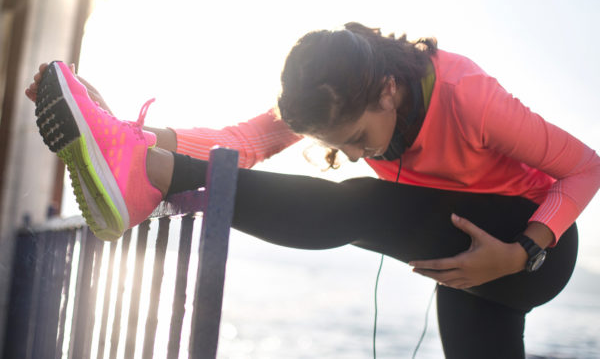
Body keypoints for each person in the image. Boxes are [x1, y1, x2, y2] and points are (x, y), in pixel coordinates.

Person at [26, 22, 600, 358]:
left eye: (355, 138)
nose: (351, 153)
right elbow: (242, 141)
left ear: (388, 93)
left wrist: (522, 251)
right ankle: (134, 152)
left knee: (361, 203)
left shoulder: (468, 97)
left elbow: (586, 167)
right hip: (466, 261)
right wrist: (134, 133)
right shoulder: (332, 92)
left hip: (532, 248)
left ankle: (153, 176)